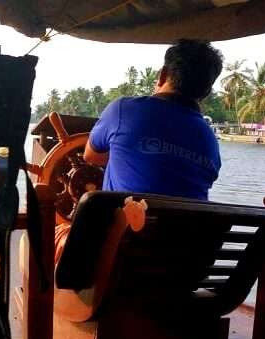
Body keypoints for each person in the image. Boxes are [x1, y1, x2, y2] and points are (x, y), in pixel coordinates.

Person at [56, 39, 224, 259]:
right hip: (180, 272)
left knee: (48, 235)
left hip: (117, 268)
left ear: (163, 75)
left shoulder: (123, 109)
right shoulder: (210, 141)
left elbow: (91, 156)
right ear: (206, 91)